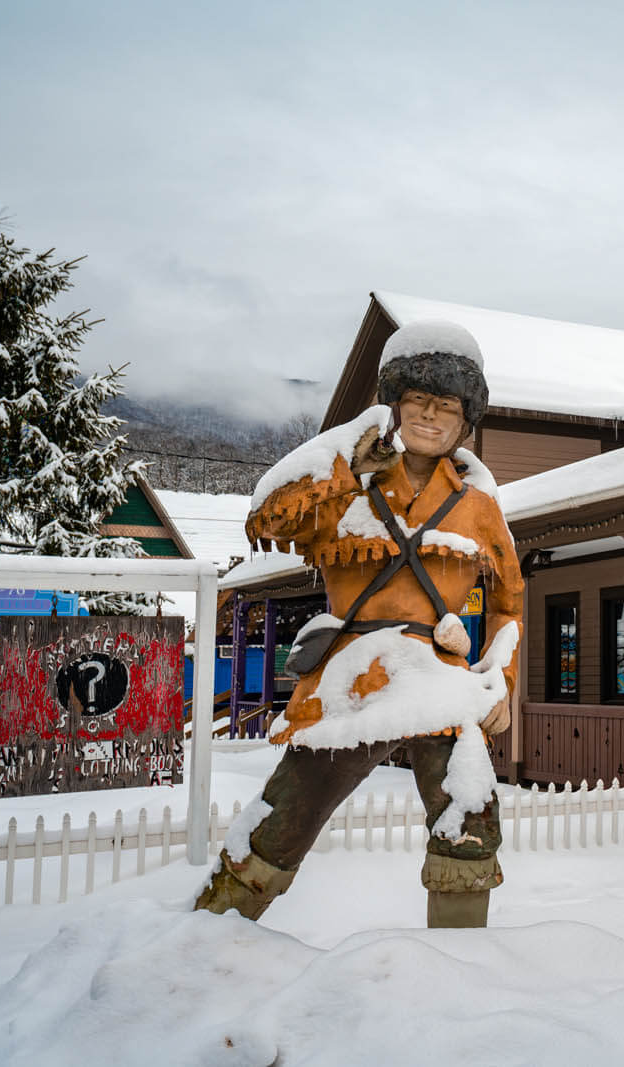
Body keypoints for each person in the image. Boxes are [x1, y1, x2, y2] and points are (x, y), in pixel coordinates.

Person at [194, 320, 523, 928]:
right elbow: (267, 516)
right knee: (285, 813)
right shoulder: (346, 492)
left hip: (439, 680)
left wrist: (501, 673)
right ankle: (210, 934)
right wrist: (347, 459)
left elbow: (510, 598)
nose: (430, 416)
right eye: (417, 402)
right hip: (350, 676)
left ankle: (464, 960)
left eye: (446, 406)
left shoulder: (479, 507)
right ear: (393, 410)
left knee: (467, 820)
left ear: (464, 421)